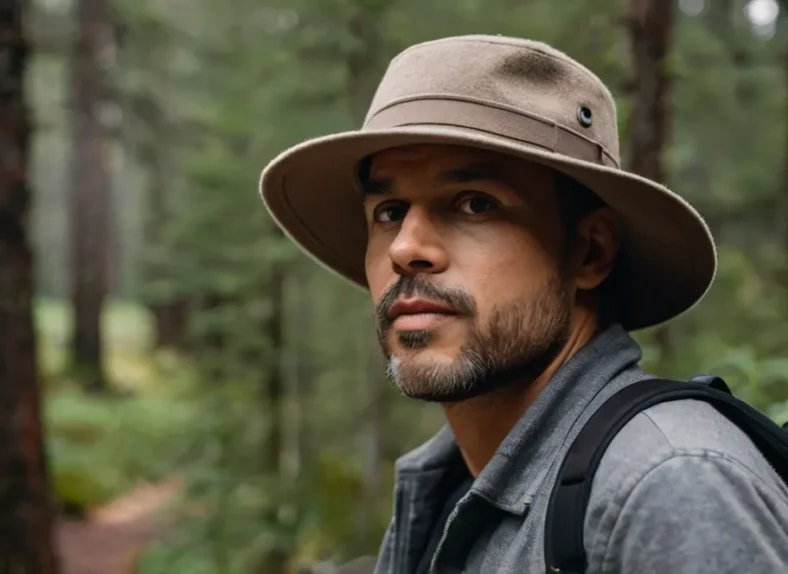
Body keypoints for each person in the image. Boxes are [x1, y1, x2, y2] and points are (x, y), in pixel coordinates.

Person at [258, 35, 788, 573]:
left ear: (590, 251)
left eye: (474, 204)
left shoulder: (667, 484)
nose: (405, 249)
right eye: (390, 212)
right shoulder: (441, 493)